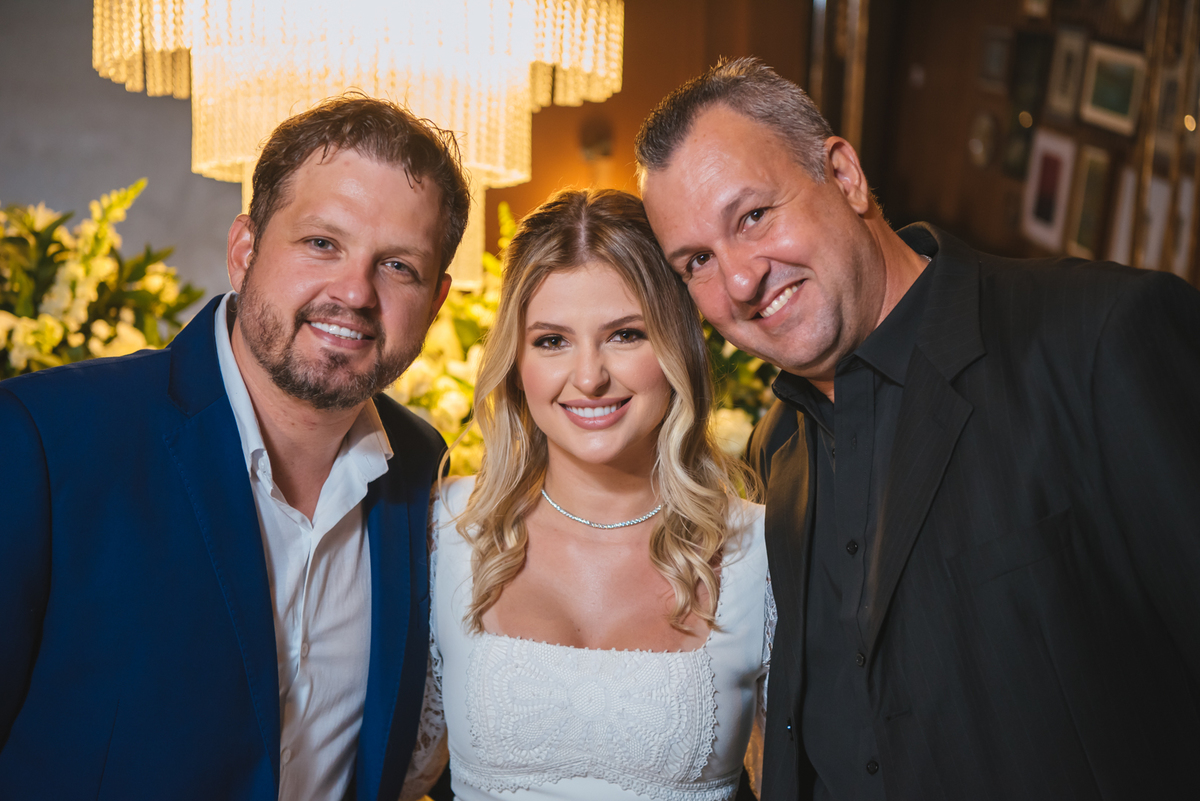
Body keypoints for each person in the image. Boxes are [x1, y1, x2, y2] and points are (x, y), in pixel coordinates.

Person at [635, 57, 1200, 799]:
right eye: (698, 261)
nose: (740, 280)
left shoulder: (1096, 340)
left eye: (753, 216)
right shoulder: (779, 447)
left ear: (844, 176)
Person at [0, 94, 470, 800]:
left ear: (435, 302)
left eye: (399, 265)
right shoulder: (45, 438)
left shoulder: (423, 470)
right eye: (322, 243)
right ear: (244, 251)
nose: (354, 292)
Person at [400, 189, 772, 801]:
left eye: (625, 334)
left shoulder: (760, 549)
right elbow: (388, 771)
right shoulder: (445, 527)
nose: (590, 376)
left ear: (677, 344)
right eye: (552, 340)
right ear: (516, 361)